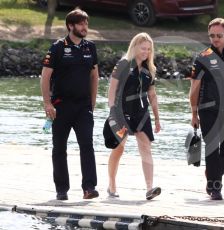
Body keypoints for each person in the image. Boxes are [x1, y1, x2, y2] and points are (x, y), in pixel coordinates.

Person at [40, 8, 99, 200]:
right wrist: (48, 104)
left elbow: (94, 76)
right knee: (59, 148)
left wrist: (93, 103)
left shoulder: (90, 47)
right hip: (61, 105)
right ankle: (61, 189)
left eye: (86, 23)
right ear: (70, 26)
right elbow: (45, 77)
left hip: (83, 107)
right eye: (81, 24)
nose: (85, 27)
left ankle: (89, 188)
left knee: (87, 145)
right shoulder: (57, 48)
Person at [189, 18, 224, 200]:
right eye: (212, 36)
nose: (215, 39)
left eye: (219, 36)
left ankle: (213, 173)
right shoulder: (203, 57)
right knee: (212, 147)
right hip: (207, 109)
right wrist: (194, 113)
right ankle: (214, 187)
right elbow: (194, 87)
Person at [107, 32, 161, 200]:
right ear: (135, 46)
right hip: (122, 112)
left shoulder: (149, 69)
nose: (146, 52)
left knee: (146, 148)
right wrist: (113, 113)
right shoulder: (123, 64)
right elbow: (112, 90)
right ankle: (111, 184)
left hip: (141, 113)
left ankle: (150, 188)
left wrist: (157, 118)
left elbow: (152, 95)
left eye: (149, 49)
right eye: (143, 48)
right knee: (119, 148)